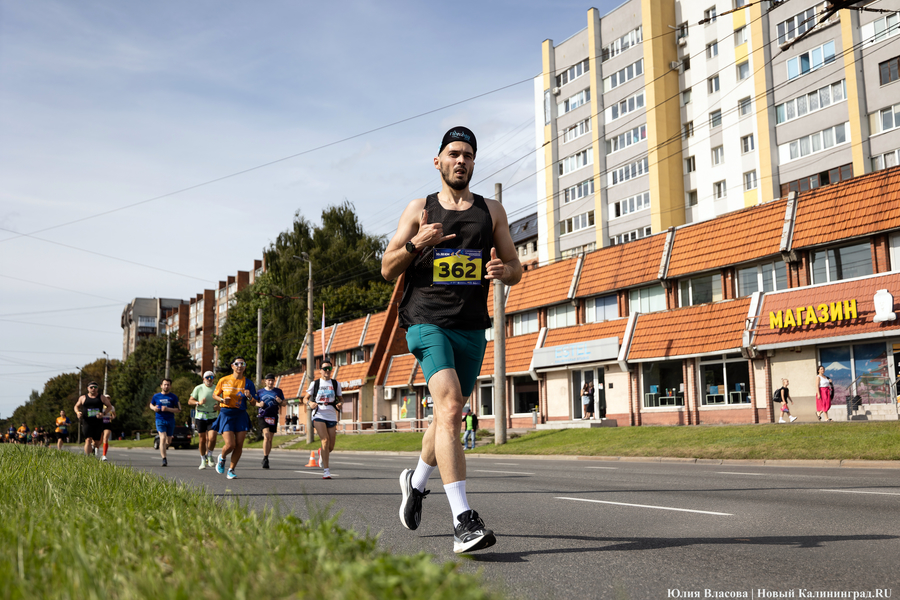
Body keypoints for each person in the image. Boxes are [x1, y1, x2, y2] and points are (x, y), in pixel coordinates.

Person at [382, 126, 522, 553]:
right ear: (438, 161)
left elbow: (516, 266)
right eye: (454, 153)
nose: (461, 160)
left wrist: (504, 273)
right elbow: (388, 268)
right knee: (450, 406)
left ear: (474, 163)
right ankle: (464, 520)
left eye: (468, 155)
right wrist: (415, 243)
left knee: (448, 415)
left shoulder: (491, 211)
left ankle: (416, 481)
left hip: (471, 326)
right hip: (425, 322)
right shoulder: (419, 208)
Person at [210, 357, 257, 480]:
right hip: (226, 413)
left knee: (239, 445)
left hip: (241, 414)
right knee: (230, 444)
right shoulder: (224, 380)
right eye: (237, 364)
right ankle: (222, 457)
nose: (240, 366)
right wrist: (221, 400)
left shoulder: (248, 383)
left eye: (242, 364)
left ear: (245, 366)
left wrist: (250, 396)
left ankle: (231, 469)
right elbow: (214, 395)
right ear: (232, 366)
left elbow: (253, 403)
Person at [303, 359, 342, 479]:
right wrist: (310, 403)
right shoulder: (315, 384)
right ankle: (326, 471)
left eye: (329, 368)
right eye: (324, 368)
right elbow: (304, 399)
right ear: (320, 371)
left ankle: (321, 453)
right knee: (324, 440)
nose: (327, 371)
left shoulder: (336, 384)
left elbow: (340, 398)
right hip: (318, 414)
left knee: (330, 446)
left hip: (331, 414)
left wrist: (340, 404)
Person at [189, 371, 219, 469]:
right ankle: (202, 459)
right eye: (207, 377)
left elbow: (223, 402)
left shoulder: (217, 388)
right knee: (202, 440)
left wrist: (219, 407)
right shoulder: (198, 388)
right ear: (203, 379)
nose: (209, 379)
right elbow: (190, 401)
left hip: (213, 415)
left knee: (212, 438)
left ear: (214, 378)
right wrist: (198, 402)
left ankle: (209, 455)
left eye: (211, 377)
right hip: (201, 416)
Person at [74, 382, 113, 456]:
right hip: (87, 421)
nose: (93, 389)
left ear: (97, 388)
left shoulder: (101, 397)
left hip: (98, 422)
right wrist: (78, 412)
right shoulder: (83, 398)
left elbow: (109, 406)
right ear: (88, 388)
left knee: (97, 442)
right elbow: (76, 406)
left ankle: (93, 447)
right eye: (91, 387)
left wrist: (103, 414)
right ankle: (88, 458)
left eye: (95, 387)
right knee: (88, 440)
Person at [150, 378, 181, 467]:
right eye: (165, 384)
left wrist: (167, 409)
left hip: (170, 420)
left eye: (168, 384)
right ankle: (164, 459)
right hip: (160, 419)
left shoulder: (173, 397)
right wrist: (154, 408)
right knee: (162, 438)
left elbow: (179, 409)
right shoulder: (156, 396)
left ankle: (162, 447)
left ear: (170, 386)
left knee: (168, 441)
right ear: (161, 386)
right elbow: (151, 405)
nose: (166, 386)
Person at [257, 373, 285, 469]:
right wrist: (259, 404)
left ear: (274, 381)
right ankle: (265, 458)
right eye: (268, 380)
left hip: (273, 416)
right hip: (263, 415)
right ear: (265, 381)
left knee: (270, 439)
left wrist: (280, 401)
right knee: (266, 435)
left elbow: (284, 402)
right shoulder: (260, 392)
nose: (270, 382)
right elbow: (254, 402)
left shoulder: (278, 391)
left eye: (272, 380)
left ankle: (266, 457)